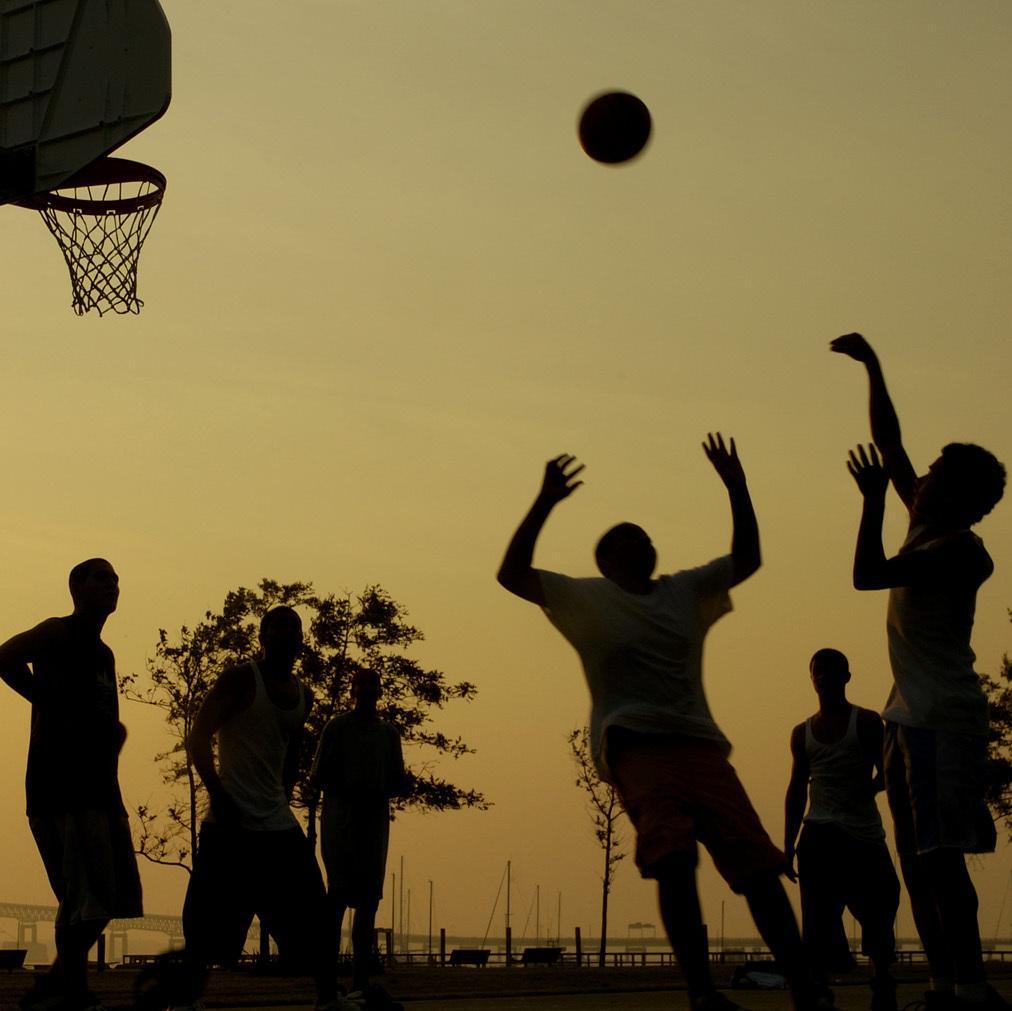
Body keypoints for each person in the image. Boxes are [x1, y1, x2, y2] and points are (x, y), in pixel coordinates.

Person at [497, 435, 827, 1011]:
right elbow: (511, 573)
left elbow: (747, 558)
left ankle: (805, 985)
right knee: (673, 857)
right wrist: (545, 501)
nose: (642, 544)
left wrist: (737, 486)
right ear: (605, 561)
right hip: (636, 748)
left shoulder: (684, 591)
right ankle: (702, 992)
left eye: (647, 538)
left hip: (701, 749)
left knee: (756, 864)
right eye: (628, 541)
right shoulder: (583, 598)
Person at [833, 332, 1007, 1010]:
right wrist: (872, 365)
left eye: (933, 472)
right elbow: (891, 441)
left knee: (940, 858)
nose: (920, 475)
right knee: (914, 861)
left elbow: (865, 574)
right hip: (906, 716)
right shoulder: (926, 524)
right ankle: (941, 984)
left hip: (944, 718)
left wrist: (872, 499)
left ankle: (973, 984)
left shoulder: (961, 550)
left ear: (955, 494)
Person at [169, 605, 344, 1011]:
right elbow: (197, 739)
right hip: (230, 824)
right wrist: (219, 794)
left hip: (277, 826)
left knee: (315, 915)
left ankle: (329, 998)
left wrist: (281, 795)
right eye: (276, 627)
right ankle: (185, 1001)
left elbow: (292, 752)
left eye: (293, 628)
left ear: (301, 642)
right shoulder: (239, 679)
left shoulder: (304, 695)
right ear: (262, 637)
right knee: (205, 921)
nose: (285, 635)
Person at [0, 558, 142, 1011]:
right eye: (102, 577)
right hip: (60, 784)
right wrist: (48, 700)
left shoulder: (103, 654)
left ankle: (54, 982)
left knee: (113, 896)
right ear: (76, 588)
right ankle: (73, 991)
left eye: (116, 579)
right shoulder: (57, 631)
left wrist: (112, 742)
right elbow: (4, 656)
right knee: (82, 897)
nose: (113, 585)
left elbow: (106, 715)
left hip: (100, 787)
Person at [784, 648, 900, 1010]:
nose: (824, 679)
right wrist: (787, 846)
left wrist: (873, 786)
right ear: (811, 678)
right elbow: (796, 788)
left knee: (882, 903)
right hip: (819, 835)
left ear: (846, 677)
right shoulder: (802, 733)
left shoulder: (865, 723)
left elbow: (888, 771)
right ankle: (819, 988)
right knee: (818, 920)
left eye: (832, 672)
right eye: (818, 672)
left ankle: (880, 979)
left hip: (862, 834)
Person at [309, 669, 407, 1011]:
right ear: (352, 690)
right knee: (336, 903)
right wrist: (350, 790)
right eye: (360, 684)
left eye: (372, 684)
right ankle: (326, 986)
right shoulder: (337, 729)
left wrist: (385, 789)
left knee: (368, 908)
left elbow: (398, 780)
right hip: (341, 826)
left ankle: (361, 984)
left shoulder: (388, 735)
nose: (365, 690)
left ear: (379, 691)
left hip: (374, 829)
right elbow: (318, 776)